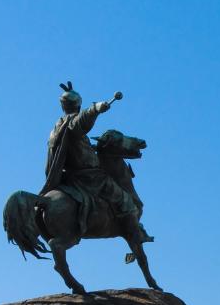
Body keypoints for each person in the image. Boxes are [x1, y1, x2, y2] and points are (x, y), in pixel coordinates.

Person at [42, 81, 152, 243]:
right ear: (78, 106)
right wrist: (97, 108)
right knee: (125, 201)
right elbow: (83, 120)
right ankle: (133, 230)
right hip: (90, 178)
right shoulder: (72, 123)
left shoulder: (57, 127)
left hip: (69, 177)